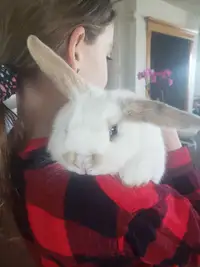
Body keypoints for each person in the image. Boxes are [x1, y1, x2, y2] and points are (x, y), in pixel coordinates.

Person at [0, 0, 200, 266]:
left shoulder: (11, 152)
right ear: (77, 51)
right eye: (108, 54)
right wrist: (177, 156)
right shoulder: (127, 202)